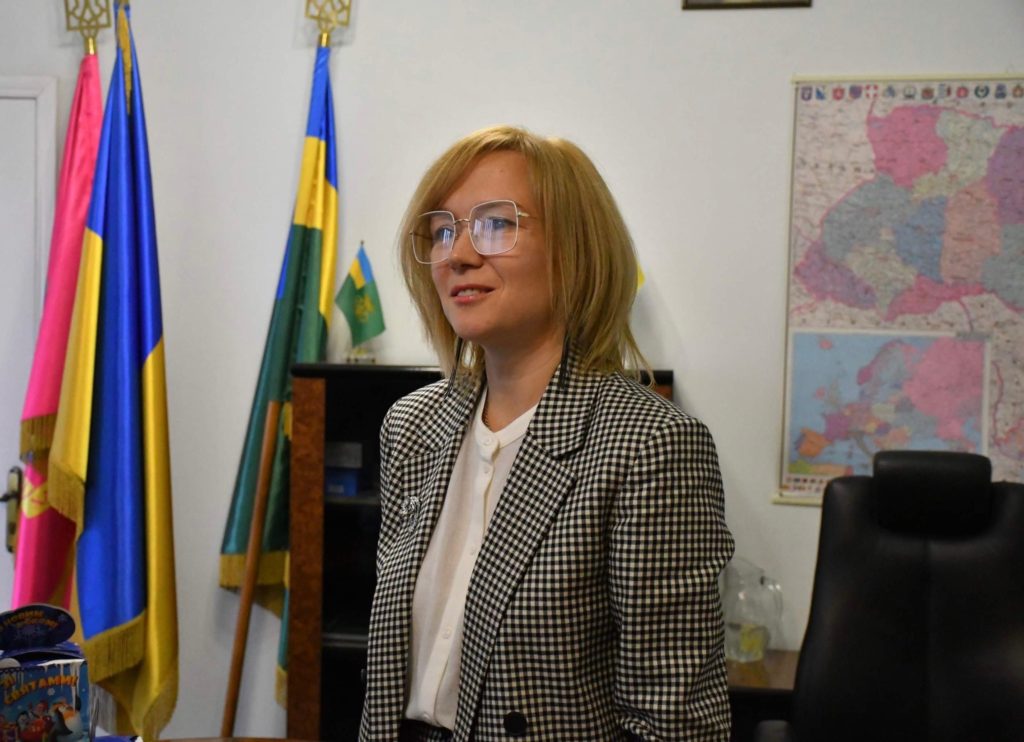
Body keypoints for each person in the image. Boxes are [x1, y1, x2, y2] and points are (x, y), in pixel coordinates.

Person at [361, 125, 734, 741]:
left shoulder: (650, 445)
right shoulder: (412, 425)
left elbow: (674, 725)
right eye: (443, 230)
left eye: (496, 224)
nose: (457, 254)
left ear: (575, 249)